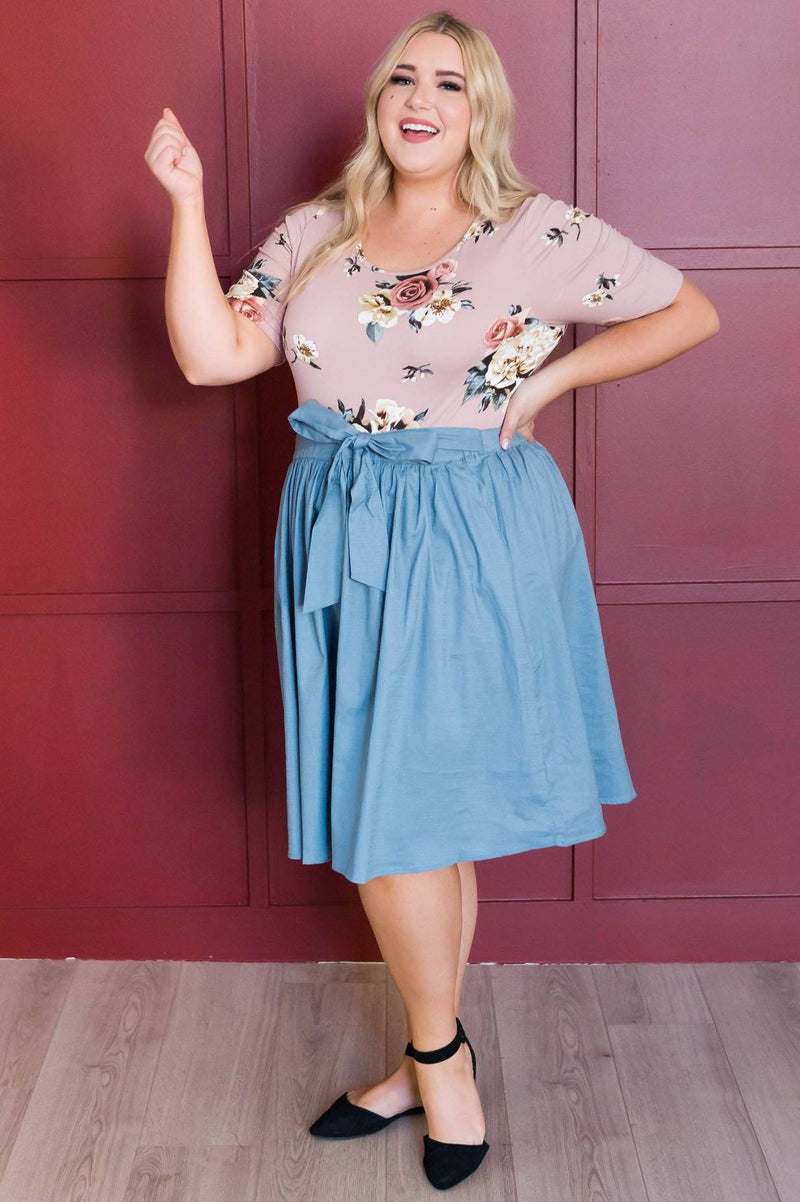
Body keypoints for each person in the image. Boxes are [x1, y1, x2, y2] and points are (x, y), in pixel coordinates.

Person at [145, 10, 719, 1191]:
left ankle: (438, 1059)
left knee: (406, 813)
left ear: (479, 111)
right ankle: (425, 1056)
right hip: (338, 523)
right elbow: (212, 356)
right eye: (403, 78)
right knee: (414, 811)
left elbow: (687, 310)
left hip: (468, 529)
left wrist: (552, 379)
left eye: (449, 84)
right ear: (379, 103)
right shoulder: (317, 227)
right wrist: (186, 204)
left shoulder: (531, 230)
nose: (420, 99)